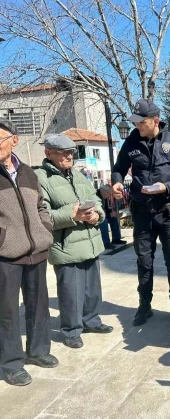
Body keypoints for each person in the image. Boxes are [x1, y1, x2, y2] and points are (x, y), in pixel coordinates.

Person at [112, 98, 170, 326]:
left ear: (155, 120)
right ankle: (144, 306)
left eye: (141, 121)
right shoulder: (131, 142)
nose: (137, 125)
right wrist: (117, 183)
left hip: (168, 211)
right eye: (135, 121)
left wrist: (167, 187)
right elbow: (118, 168)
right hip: (142, 213)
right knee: (144, 262)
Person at [36, 134, 113, 349]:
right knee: (71, 292)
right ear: (48, 153)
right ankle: (71, 330)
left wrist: (97, 214)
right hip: (66, 246)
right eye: (64, 152)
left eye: (72, 152)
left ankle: (91, 321)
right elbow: (43, 215)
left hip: (90, 241)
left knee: (92, 290)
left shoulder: (78, 175)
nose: (69, 156)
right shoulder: (40, 179)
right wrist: (72, 215)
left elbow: (96, 199)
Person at [0, 119, 58, 386]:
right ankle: (11, 363)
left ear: (14, 140)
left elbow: (41, 206)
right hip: (6, 255)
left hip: (37, 250)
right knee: (7, 310)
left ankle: (38, 351)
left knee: (38, 304)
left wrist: (44, 230)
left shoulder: (28, 173)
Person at [96, 184, 126, 249]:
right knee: (104, 221)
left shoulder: (105, 197)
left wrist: (114, 214)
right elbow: (98, 211)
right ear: (103, 191)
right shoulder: (96, 196)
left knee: (114, 218)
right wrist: (109, 214)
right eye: (109, 193)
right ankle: (106, 243)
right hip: (97, 217)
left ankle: (116, 239)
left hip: (103, 215)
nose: (110, 196)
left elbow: (106, 209)